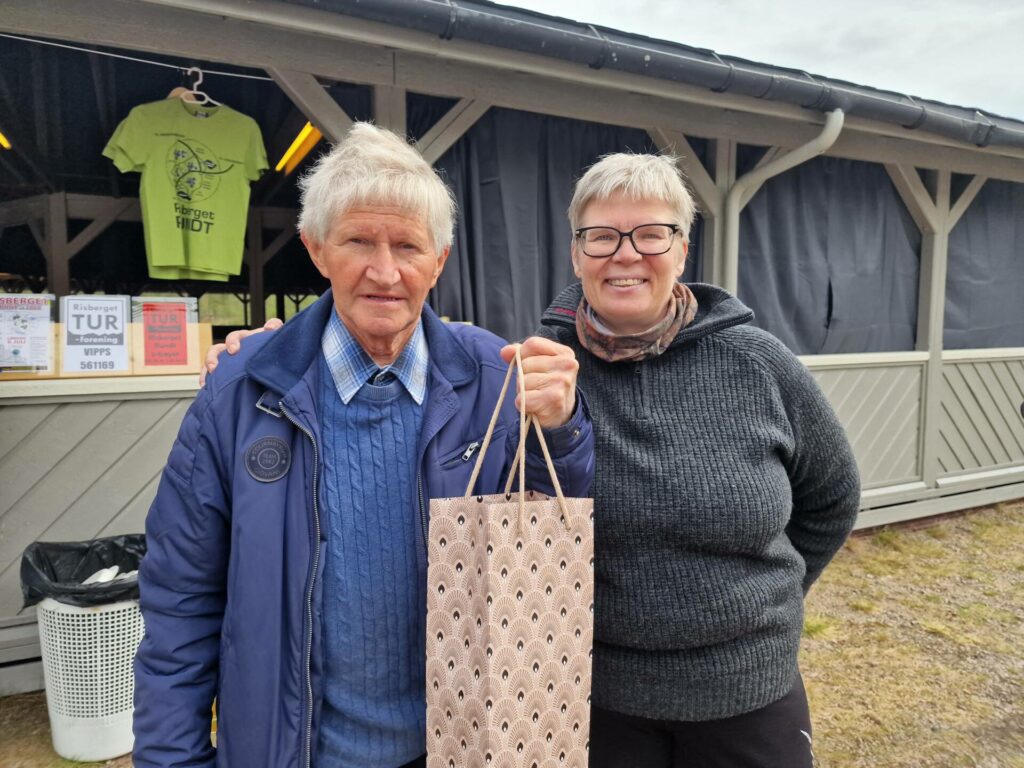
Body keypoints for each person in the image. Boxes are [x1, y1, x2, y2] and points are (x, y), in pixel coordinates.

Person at [208, 151, 861, 768]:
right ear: (577, 254)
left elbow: (831, 498)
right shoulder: (526, 367)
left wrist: (767, 606)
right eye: (602, 236)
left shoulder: (758, 363)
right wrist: (281, 347)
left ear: (682, 249)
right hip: (589, 695)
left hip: (750, 693)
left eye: (651, 235)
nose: (625, 255)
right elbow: (398, 344)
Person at [134, 123, 594, 768]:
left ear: (439, 258)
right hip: (293, 751)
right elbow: (180, 602)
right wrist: (173, 760)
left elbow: (552, 537)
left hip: (463, 748)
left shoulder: (496, 378)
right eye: (358, 241)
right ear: (316, 249)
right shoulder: (241, 391)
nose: (385, 271)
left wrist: (563, 428)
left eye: (408, 245)